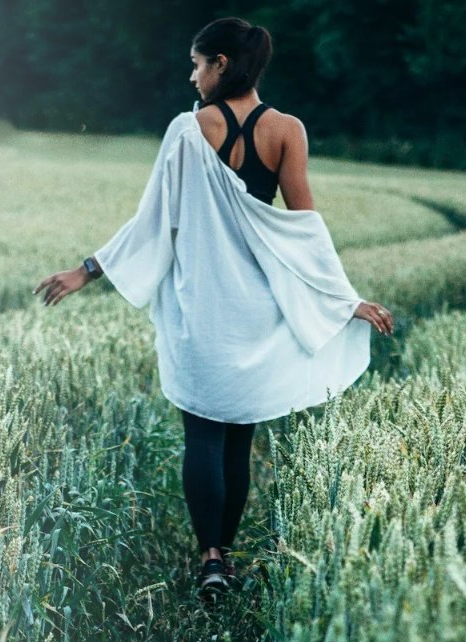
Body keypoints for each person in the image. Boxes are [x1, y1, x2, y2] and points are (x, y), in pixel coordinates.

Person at [34, 17, 394, 603]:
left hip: (200, 307)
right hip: (257, 310)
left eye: (199, 64)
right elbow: (303, 230)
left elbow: (152, 220)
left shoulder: (185, 130)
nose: (193, 75)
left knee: (201, 432)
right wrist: (342, 300)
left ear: (222, 63)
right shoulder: (286, 130)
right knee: (238, 434)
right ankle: (224, 558)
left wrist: (87, 270)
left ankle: (210, 560)